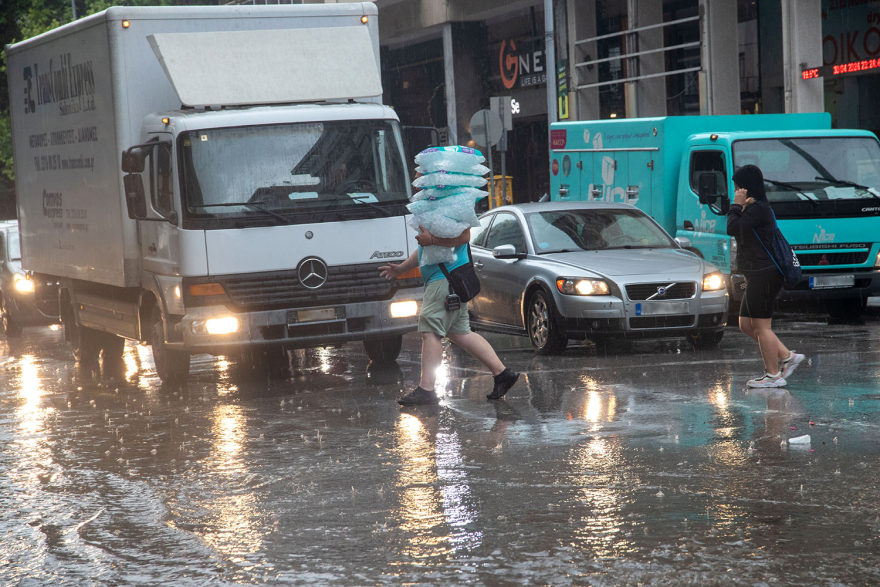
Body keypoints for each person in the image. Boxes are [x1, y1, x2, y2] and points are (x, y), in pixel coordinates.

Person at [379, 226, 519, 405]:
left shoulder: (452, 204)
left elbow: (464, 236)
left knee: (430, 331)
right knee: (460, 333)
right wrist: (401, 269)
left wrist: (432, 240)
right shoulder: (439, 206)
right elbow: (425, 250)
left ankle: (426, 389)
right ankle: (502, 374)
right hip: (448, 281)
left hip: (444, 280)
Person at [726, 164, 805, 388]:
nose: (735, 190)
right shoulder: (752, 208)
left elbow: (733, 228)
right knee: (744, 324)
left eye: (737, 186)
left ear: (746, 187)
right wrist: (739, 206)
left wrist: (736, 205)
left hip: (766, 274)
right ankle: (788, 357)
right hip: (756, 274)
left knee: (762, 327)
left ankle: (773, 376)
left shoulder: (758, 209)